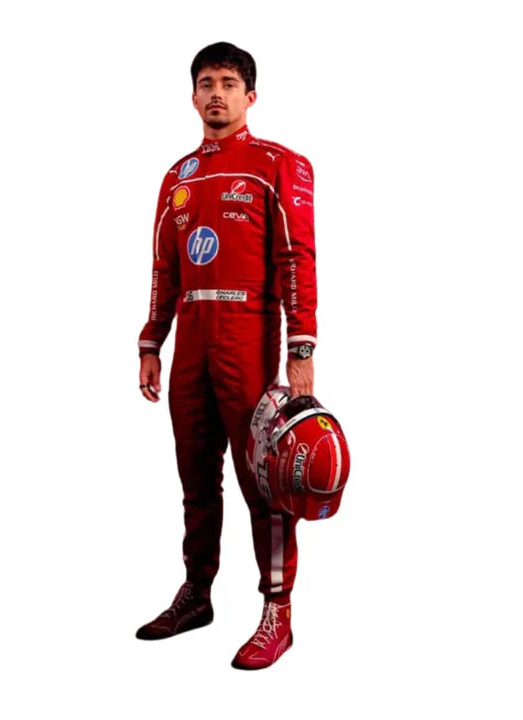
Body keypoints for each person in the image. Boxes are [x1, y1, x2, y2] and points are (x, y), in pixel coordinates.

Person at [135, 41, 318, 670]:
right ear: (192, 97)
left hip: (248, 334)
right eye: (207, 83)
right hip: (191, 340)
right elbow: (164, 268)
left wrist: (300, 347)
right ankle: (197, 593)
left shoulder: (278, 164)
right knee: (195, 477)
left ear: (251, 96)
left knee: (266, 478)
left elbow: (297, 259)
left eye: (229, 83)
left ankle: (277, 611)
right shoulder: (177, 178)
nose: (217, 93)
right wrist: (152, 342)